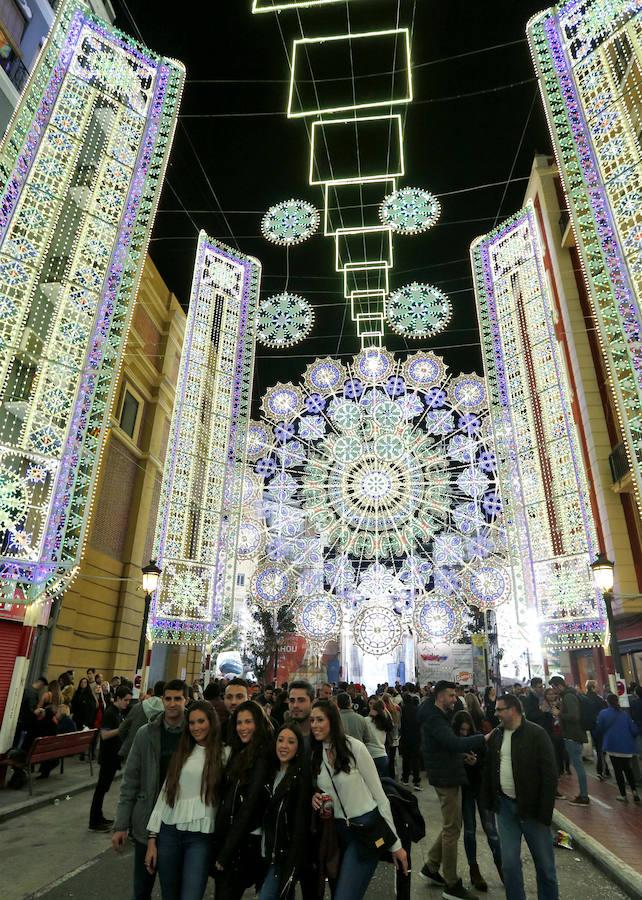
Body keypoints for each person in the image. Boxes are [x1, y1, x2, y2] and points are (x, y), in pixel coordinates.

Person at [310, 699, 408, 899]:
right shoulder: (315, 753)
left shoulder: (355, 747)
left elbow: (380, 795)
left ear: (332, 721)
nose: (314, 725)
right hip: (337, 834)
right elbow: (321, 788)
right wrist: (316, 797)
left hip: (366, 831)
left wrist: (396, 844)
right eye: (312, 720)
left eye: (320, 719)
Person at [112, 680, 188, 900]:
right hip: (147, 821)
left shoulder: (194, 733)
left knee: (172, 890)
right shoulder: (146, 734)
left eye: (178, 699)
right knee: (142, 888)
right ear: (162, 700)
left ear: (186, 700)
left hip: (178, 823)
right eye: (169, 698)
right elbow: (130, 782)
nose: (173, 704)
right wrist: (121, 825)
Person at [480, 694, 559, 900]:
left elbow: (550, 775)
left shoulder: (536, 734)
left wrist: (545, 812)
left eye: (500, 710)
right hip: (505, 808)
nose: (495, 713)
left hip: (533, 809)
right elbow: (490, 768)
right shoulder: (497, 735)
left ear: (513, 710)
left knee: (545, 867)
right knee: (509, 865)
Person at [145, 702, 223, 900]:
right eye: (192, 723)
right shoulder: (182, 753)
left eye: (201, 721)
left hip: (201, 838)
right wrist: (152, 840)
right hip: (169, 834)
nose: (196, 727)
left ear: (211, 722)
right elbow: (165, 796)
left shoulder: (224, 754)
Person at [417, 680, 487, 900]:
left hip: (447, 771)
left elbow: (445, 746)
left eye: (455, 696)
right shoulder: (435, 718)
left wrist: (460, 756)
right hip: (445, 777)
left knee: (451, 825)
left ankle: (431, 865)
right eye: (450, 696)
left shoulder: (435, 714)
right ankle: (451, 883)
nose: (454, 699)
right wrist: (482, 739)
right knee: (452, 829)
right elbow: (453, 743)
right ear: (439, 696)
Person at [213, 700, 274, 898]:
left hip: (245, 844)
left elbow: (249, 806)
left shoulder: (262, 756)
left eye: (248, 722)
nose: (243, 728)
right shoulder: (240, 751)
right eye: (239, 723)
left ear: (258, 723)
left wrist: (226, 851)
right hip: (233, 838)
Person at [452, 710, 502, 892]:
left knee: (491, 831)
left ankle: (501, 867)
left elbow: (488, 760)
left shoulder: (477, 739)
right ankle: (474, 870)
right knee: (470, 831)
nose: (464, 733)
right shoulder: (453, 741)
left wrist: (476, 761)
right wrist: (461, 759)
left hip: (480, 788)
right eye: (461, 730)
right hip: (465, 789)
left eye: (466, 730)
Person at [259, 723, 310, 899]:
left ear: (298, 748)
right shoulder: (268, 773)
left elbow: (299, 826)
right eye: (280, 740)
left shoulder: (300, 779)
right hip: (265, 852)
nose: (284, 746)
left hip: (282, 857)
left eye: (290, 742)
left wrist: (292, 865)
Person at [89, 684, 132, 831]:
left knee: (104, 788)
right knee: (101, 789)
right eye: (125, 700)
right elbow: (104, 734)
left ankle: (99, 816)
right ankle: (94, 821)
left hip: (114, 757)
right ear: (118, 698)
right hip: (107, 757)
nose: (127, 703)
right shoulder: (110, 713)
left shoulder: (119, 712)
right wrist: (121, 729)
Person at [549, 676, 589, 805]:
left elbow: (574, 716)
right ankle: (583, 795)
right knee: (578, 766)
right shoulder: (568, 695)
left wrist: (559, 713)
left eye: (554, 688)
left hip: (573, 735)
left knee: (578, 766)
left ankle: (584, 796)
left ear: (559, 685)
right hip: (573, 735)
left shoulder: (568, 696)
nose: (554, 691)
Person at [596, 693, 640, 802]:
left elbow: (599, 728)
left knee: (618, 770)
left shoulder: (603, 713)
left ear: (607, 701)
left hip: (612, 746)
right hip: (627, 747)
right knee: (628, 769)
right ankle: (635, 792)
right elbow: (634, 730)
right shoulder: (624, 714)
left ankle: (623, 795)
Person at [119, 680, 165, 760]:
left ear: (154, 690)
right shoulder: (167, 711)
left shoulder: (138, 706)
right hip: (154, 755)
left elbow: (122, 728)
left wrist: (127, 740)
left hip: (133, 749)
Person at [582, 680, 610, 780]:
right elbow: (605, 710)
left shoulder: (584, 698)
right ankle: (601, 770)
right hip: (598, 726)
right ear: (593, 687)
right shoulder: (598, 699)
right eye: (596, 686)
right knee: (601, 749)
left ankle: (604, 769)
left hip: (589, 727)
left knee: (598, 748)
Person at [400, 686, 422, 790]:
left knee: (406, 759)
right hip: (416, 738)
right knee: (415, 760)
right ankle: (416, 782)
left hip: (405, 738)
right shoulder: (417, 710)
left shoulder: (402, 710)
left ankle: (405, 779)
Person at [364, 697, 392, 778]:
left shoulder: (365, 720)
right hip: (383, 755)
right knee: (384, 784)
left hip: (370, 756)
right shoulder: (384, 721)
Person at [382, 692, 401, 777]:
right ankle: (394, 775)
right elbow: (399, 723)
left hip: (386, 738)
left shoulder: (383, 709)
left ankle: (388, 775)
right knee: (393, 758)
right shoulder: (397, 708)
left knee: (387, 758)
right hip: (395, 737)